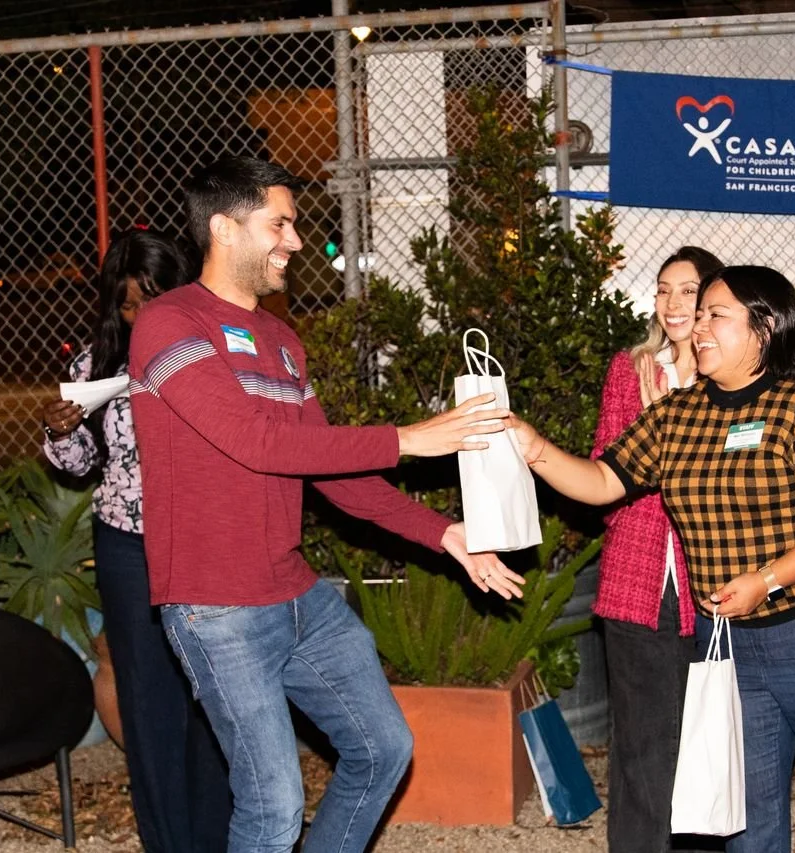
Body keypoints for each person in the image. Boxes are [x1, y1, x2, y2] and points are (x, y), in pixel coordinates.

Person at [127, 154, 524, 853]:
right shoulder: (169, 324)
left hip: (295, 594)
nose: (297, 242)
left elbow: (333, 473)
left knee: (383, 748)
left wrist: (446, 535)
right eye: (280, 223)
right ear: (224, 227)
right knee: (273, 803)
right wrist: (409, 438)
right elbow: (254, 441)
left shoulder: (283, 342)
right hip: (216, 605)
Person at [509, 266, 795, 852]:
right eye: (698, 316)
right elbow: (601, 481)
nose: (697, 326)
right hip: (731, 641)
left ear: (766, 328)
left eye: (715, 315)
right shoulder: (680, 414)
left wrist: (768, 579)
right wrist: (533, 446)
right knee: (746, 818)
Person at [41, 226, 231, 852]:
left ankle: (220, 836)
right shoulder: (94, 365)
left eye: (154, 296)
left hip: (206, 542)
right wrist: (62, 429)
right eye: (129, 302)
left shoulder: (217, 350)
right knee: (149, 708)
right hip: (130, 548)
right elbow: (75, 465)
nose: (142, 313)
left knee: (214, 696)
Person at [590, 246, 722, 853]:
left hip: (713, 583)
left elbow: (730, 480)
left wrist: (663, 426)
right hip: (637, 581)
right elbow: (603, 477)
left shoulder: (730, 377)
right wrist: (652, 431)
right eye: (664, 289)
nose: (672, 303)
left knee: (706, 740)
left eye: (688, 291)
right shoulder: (630, 369)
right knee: (642, 745)